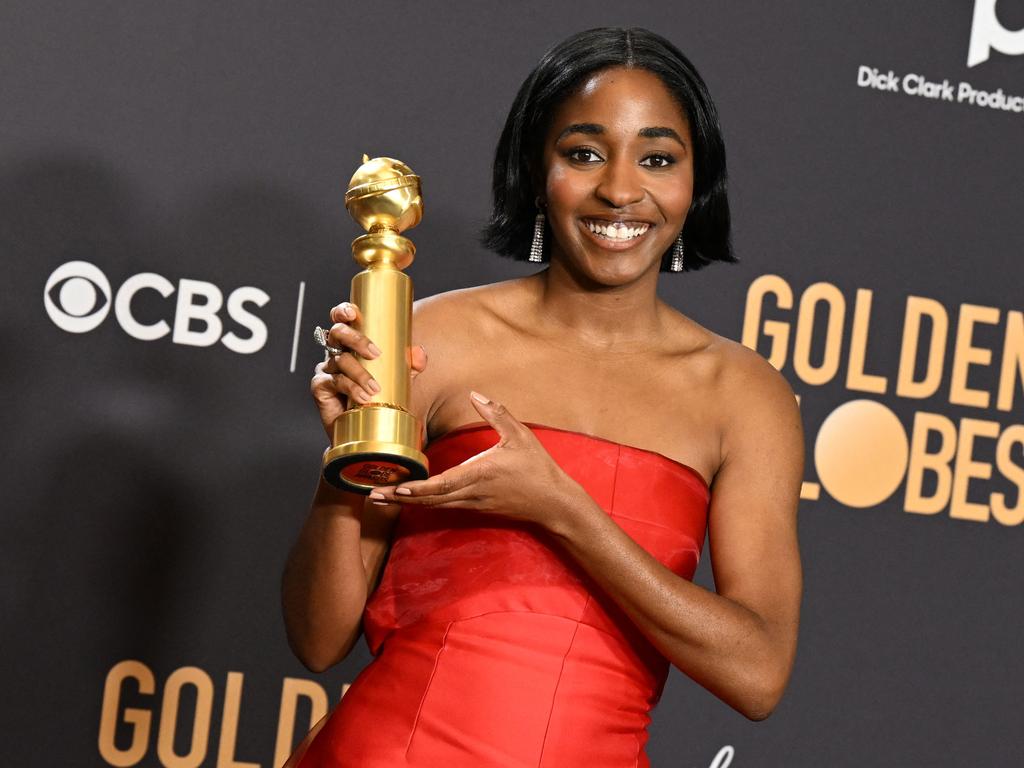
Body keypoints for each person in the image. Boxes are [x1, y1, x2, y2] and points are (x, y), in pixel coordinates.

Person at [282, 26, 803, 768]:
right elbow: (317, 639)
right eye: (583, 153)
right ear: (536, 168)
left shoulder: (744, 397)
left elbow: (758, 674)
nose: (621, 190)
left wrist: (563, 509)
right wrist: (347, 462)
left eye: (658, 158)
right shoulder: (436, 337)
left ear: (698, 182)